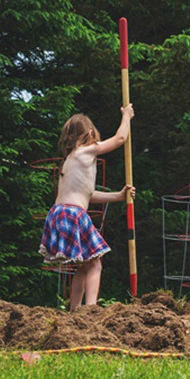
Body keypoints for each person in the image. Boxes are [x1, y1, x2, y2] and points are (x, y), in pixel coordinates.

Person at [39, 105, 135, 311]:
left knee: (83, 265)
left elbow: (88, 196)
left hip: (58, 213)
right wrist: (126, 116)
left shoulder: (69, 161)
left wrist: (118, 196)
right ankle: (90, 309)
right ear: (90, 134)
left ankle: (75, 309)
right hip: (73, 214)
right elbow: (120, 139)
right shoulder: (87, 150)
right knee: (95, 264)